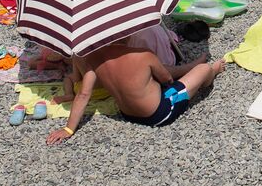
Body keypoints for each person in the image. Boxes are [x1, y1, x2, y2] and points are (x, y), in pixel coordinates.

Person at [46, 43, 225, 143]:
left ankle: (196, 71)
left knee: (155, 76)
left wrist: (68, 129)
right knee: (202, 69)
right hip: (160, 113)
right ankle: (213, 72)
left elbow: (83, 95)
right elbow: (167, 79)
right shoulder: (143, 54)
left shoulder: (92, 59)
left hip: (127, 114)